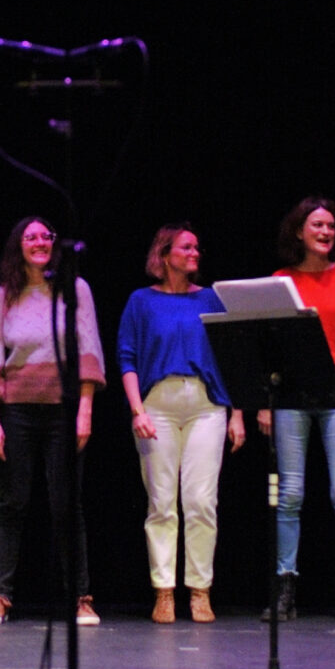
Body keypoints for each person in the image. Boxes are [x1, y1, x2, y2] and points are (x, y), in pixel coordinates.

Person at [0, 215, 102, 627]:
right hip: (17, 409)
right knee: (12, 504)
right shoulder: (1, 297)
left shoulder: (75, 290)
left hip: (63, 408)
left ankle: (81, 597)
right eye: (30, 237)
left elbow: (89, 351)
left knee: (67, 505)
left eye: (46, 236)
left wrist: (85, 411)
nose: (39, 242)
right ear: (18, 246)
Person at [118, 221, 241, 625]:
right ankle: (164, 590)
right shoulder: (141, 301)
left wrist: (237, 413)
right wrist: (138, 411)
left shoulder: (211, 299)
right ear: (165, 254)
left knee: (202, 501)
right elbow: (127, 358)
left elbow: (231, 358)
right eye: (186, 248)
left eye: (197, 248)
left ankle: (200, 590)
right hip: (158, 404)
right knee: (161, 502)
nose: (195, 254)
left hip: (206, 404)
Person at [263, 197, 335, 624]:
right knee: (289, 494)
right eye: (317, 225)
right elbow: (270, 345)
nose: (325, 232)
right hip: (291, 391)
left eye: (330, 225)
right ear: (299, 232)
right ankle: (284, 589)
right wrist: (265, 403)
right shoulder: (280, 280)